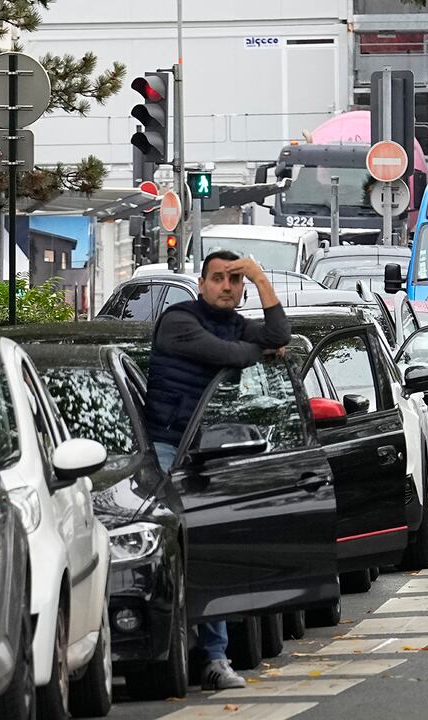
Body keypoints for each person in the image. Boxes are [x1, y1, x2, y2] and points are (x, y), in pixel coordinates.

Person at [144, 249, 291, 690]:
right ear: (202, 283)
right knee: (175, 551)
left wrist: (262, 279)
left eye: (236, 280)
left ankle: (213, 656)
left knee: (209, 549)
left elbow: (281, 331)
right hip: (168, 451)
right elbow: (229, 355)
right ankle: (168, 647)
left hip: (207, 452)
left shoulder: (236, 321)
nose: (227, 287)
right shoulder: (178, 320)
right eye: (219, 279)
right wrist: (258, 348)